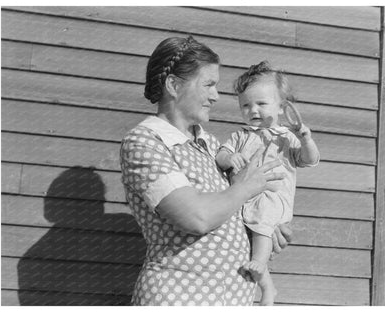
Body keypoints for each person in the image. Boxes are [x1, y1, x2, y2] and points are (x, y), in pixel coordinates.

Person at [119, 36, 293, 306]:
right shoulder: (146, 142)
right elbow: (196, 217)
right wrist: (247, 186)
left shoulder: (211, 145)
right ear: (173, 85)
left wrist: (266, 226)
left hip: (233, 298)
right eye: (209, 85)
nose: (216, 96)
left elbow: (230, 211)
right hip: (180, 297)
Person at [216, 61, 320, 305]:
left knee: (263, 221)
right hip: (244, 200)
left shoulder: (287, 138)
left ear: (282, 107)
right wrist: (230, 157)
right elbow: (220, 155)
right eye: (245, 105)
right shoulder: (240, 135)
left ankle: (261, 265)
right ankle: (268, 288)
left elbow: (310, 160)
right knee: (247, 240)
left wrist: (305, 139)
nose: (253, 110)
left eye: (261, 104)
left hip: (273, 198)